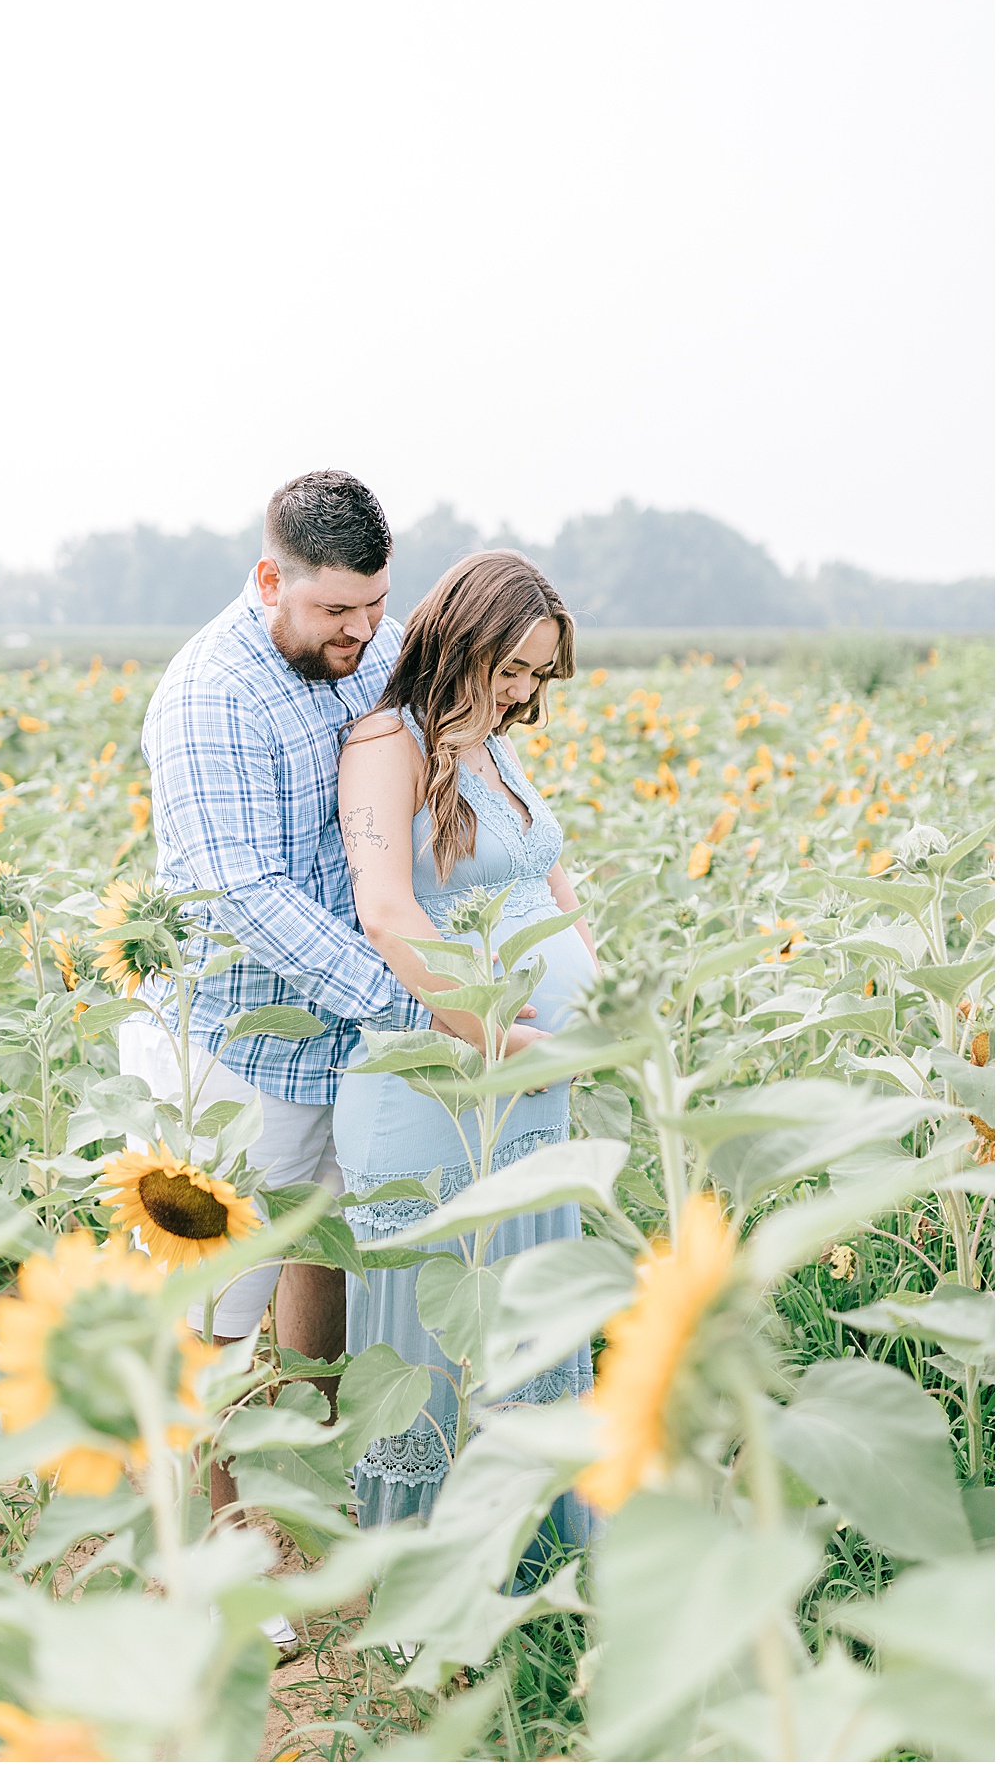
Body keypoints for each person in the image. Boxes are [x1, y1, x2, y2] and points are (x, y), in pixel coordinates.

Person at [120, 468, 414, 1650]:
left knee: (322, 1254)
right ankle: (221, 1559)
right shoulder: (211, 696)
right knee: (215, 1316)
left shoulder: (369, 644)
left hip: (339, 1034)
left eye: (374, 607)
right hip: (230, 1045)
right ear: (268, 581)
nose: (360, 634)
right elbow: (245, 895)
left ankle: (299, 1489)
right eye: (336, 613)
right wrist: (408, 1000)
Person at [333, 551, 602, 1556]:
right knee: (433, 1333)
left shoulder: (493, 743)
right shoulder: (385, 744)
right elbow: (388, 908)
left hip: (530, 1078)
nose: (526, 689)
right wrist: (496, 1035)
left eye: (541, 673)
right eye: (515, 665)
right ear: (465, 634)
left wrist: (601, 995)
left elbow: (547, 876)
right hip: (442, 1077)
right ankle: (423, 1578)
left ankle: (526, 1568)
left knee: (527, 1305)